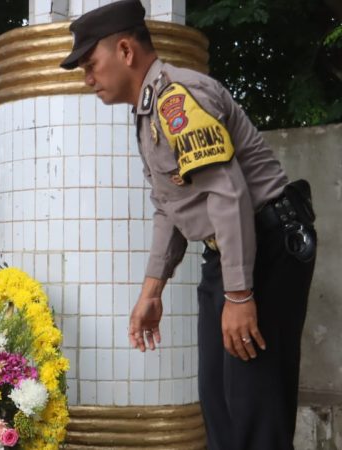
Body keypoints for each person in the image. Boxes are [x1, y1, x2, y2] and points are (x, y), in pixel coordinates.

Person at [60, 2, 317, 449]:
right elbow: (171, 206)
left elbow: (227, 193)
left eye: (90, 64)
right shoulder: (147, 111)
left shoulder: (177, 98)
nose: (86, 78)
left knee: (254, 413)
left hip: (267, 244)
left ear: (124, 50)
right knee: (219, 409)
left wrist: (239, 294)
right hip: (230, 252)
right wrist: (151, 292)